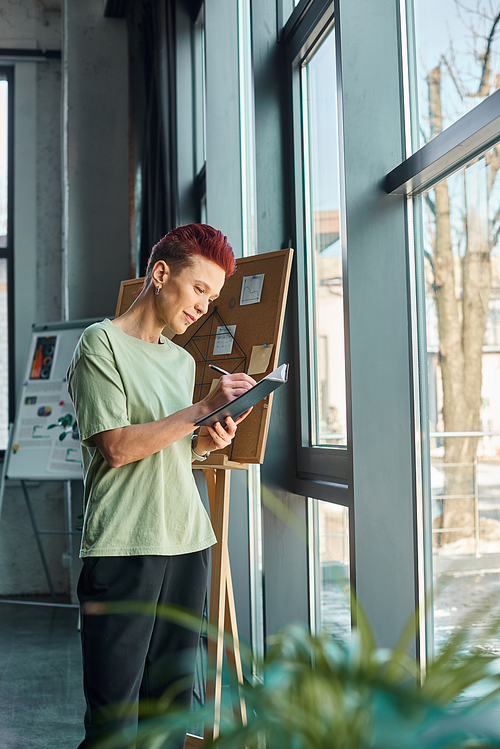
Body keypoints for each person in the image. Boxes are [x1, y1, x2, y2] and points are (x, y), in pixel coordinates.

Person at [67, 224, 256, 749]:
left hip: (187, 540)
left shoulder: (181, 359)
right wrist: (198, 410)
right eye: (199, 290)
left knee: (171, 712)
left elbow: (170, 448)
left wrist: (205, 439)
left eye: (212, 298)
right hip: (126, 545)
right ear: (161, 273)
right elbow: (119, 448)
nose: (204, 307)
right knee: (116, 718)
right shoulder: (99, 344)